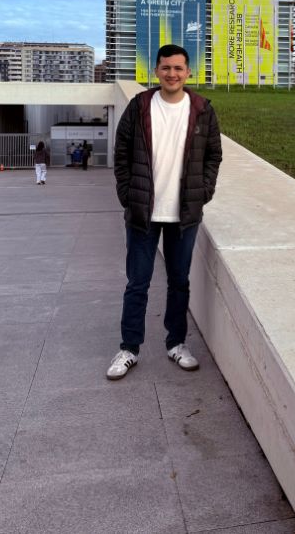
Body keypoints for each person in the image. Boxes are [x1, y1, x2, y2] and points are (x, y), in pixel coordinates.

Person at [107, 44, 222, 380]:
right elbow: (122, 153)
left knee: (179, 282)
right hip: (143, 212)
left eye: (179, 68)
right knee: (137, 283)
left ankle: (176, 343)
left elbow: (213, 156)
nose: (172, 74)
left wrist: (204, 192)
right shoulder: (140, 106)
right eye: (166, 67)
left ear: (189, 72)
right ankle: (129, 348)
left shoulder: (202, 110)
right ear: (155, 71)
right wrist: (127, 195)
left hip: (184, 214)